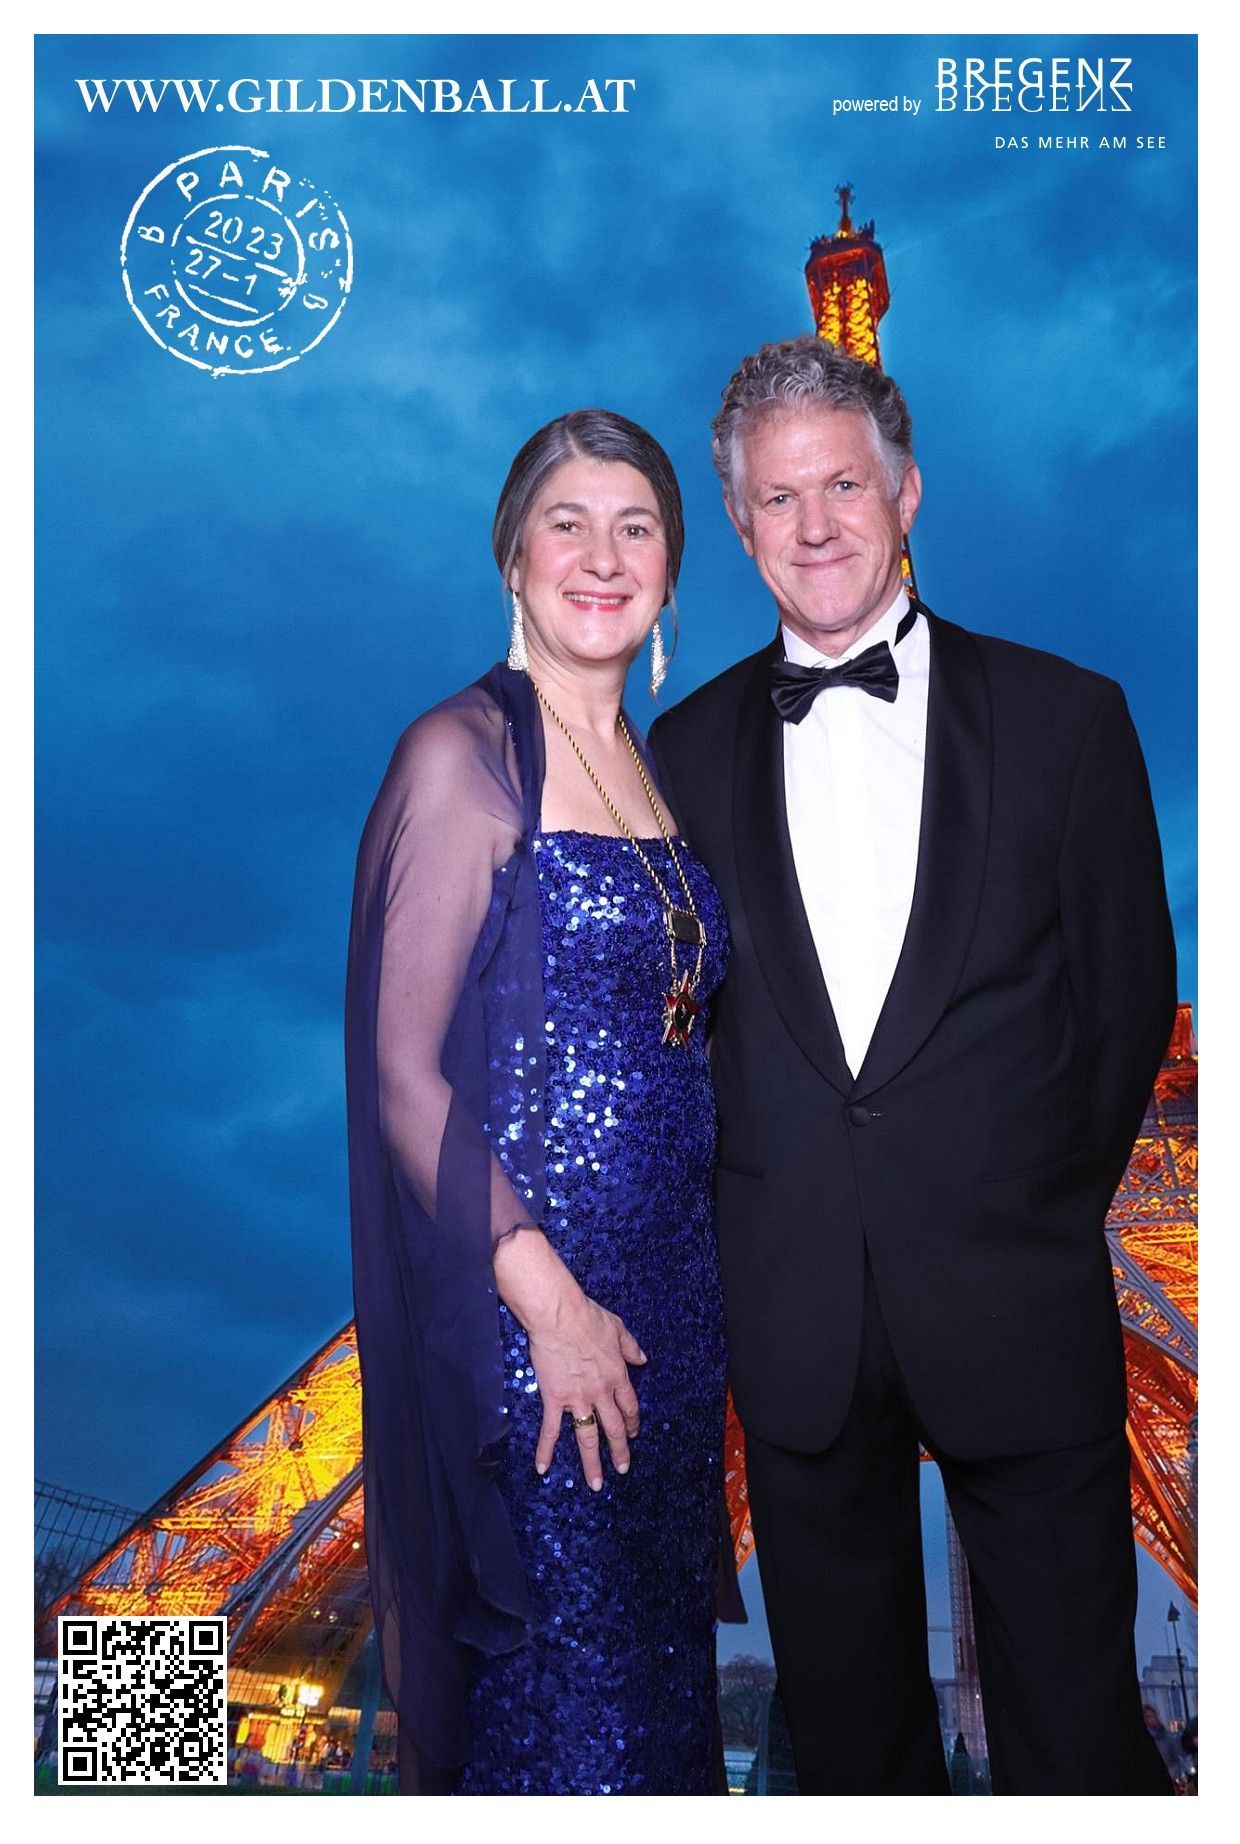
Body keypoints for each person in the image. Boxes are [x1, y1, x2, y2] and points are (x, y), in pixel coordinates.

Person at [647, 334, 1178, 1796]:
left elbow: (1129, 1001)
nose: (814, 524)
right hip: (794, 1311)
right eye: (776, 498)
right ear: (737, 523)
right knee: (853, 1758)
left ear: (908, 492)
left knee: (1077, 1736)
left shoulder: (1072, 718)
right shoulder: (675, 753)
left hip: (1013, 1283)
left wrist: (1027, 1197)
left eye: (842, 485)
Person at [346, 409, 733, 1794]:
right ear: (513, 555)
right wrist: (552, 1307)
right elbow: (404, 1075)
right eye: (568, 523)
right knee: (565, 1723)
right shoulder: (461, 755)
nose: (603, 556)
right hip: (539, 1322)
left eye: (637, 527)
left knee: (650, 1713)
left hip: (674, 1322)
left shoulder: (657, 771)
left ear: (672, 572)